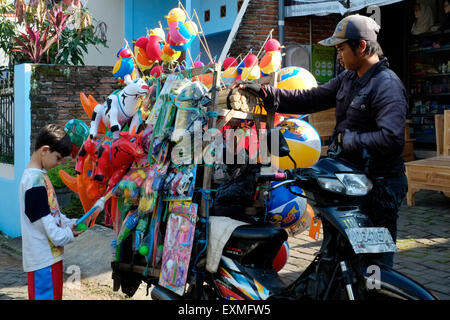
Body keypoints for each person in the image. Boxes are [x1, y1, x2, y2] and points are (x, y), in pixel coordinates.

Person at [239, 14, 408, 268]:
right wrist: (267, 94)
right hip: (351, 183)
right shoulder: (349, 78)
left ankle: (375, 292)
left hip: (380, 188)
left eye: (341, 48)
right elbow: (312, 97)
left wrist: (349, 140)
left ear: (361, 47)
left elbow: (392, 138)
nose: (338, 55)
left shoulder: (387, 85)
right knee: (342, 254)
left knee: (373, 261)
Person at [19, 124, 84, 300]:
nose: (58, 164)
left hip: (49, 259)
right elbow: (50, 230)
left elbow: (51, 214)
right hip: (43, 263)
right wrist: (68, 234)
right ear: (45, 150)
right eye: (57, 158)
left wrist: (69, 222)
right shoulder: (34, 182)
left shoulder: (40, 176)